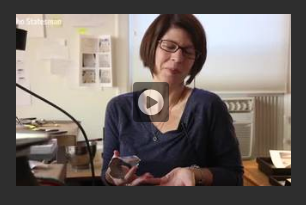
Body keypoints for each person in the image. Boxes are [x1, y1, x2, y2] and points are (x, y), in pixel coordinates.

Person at [101, 14, 244, 186]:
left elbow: (234, 177)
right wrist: (113, 174)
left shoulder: (209, 106)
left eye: (188, 51)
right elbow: (106, 175)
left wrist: (195, 174)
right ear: (151, 46)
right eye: (169, 46)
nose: (177, 58)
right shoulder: (119, 108)